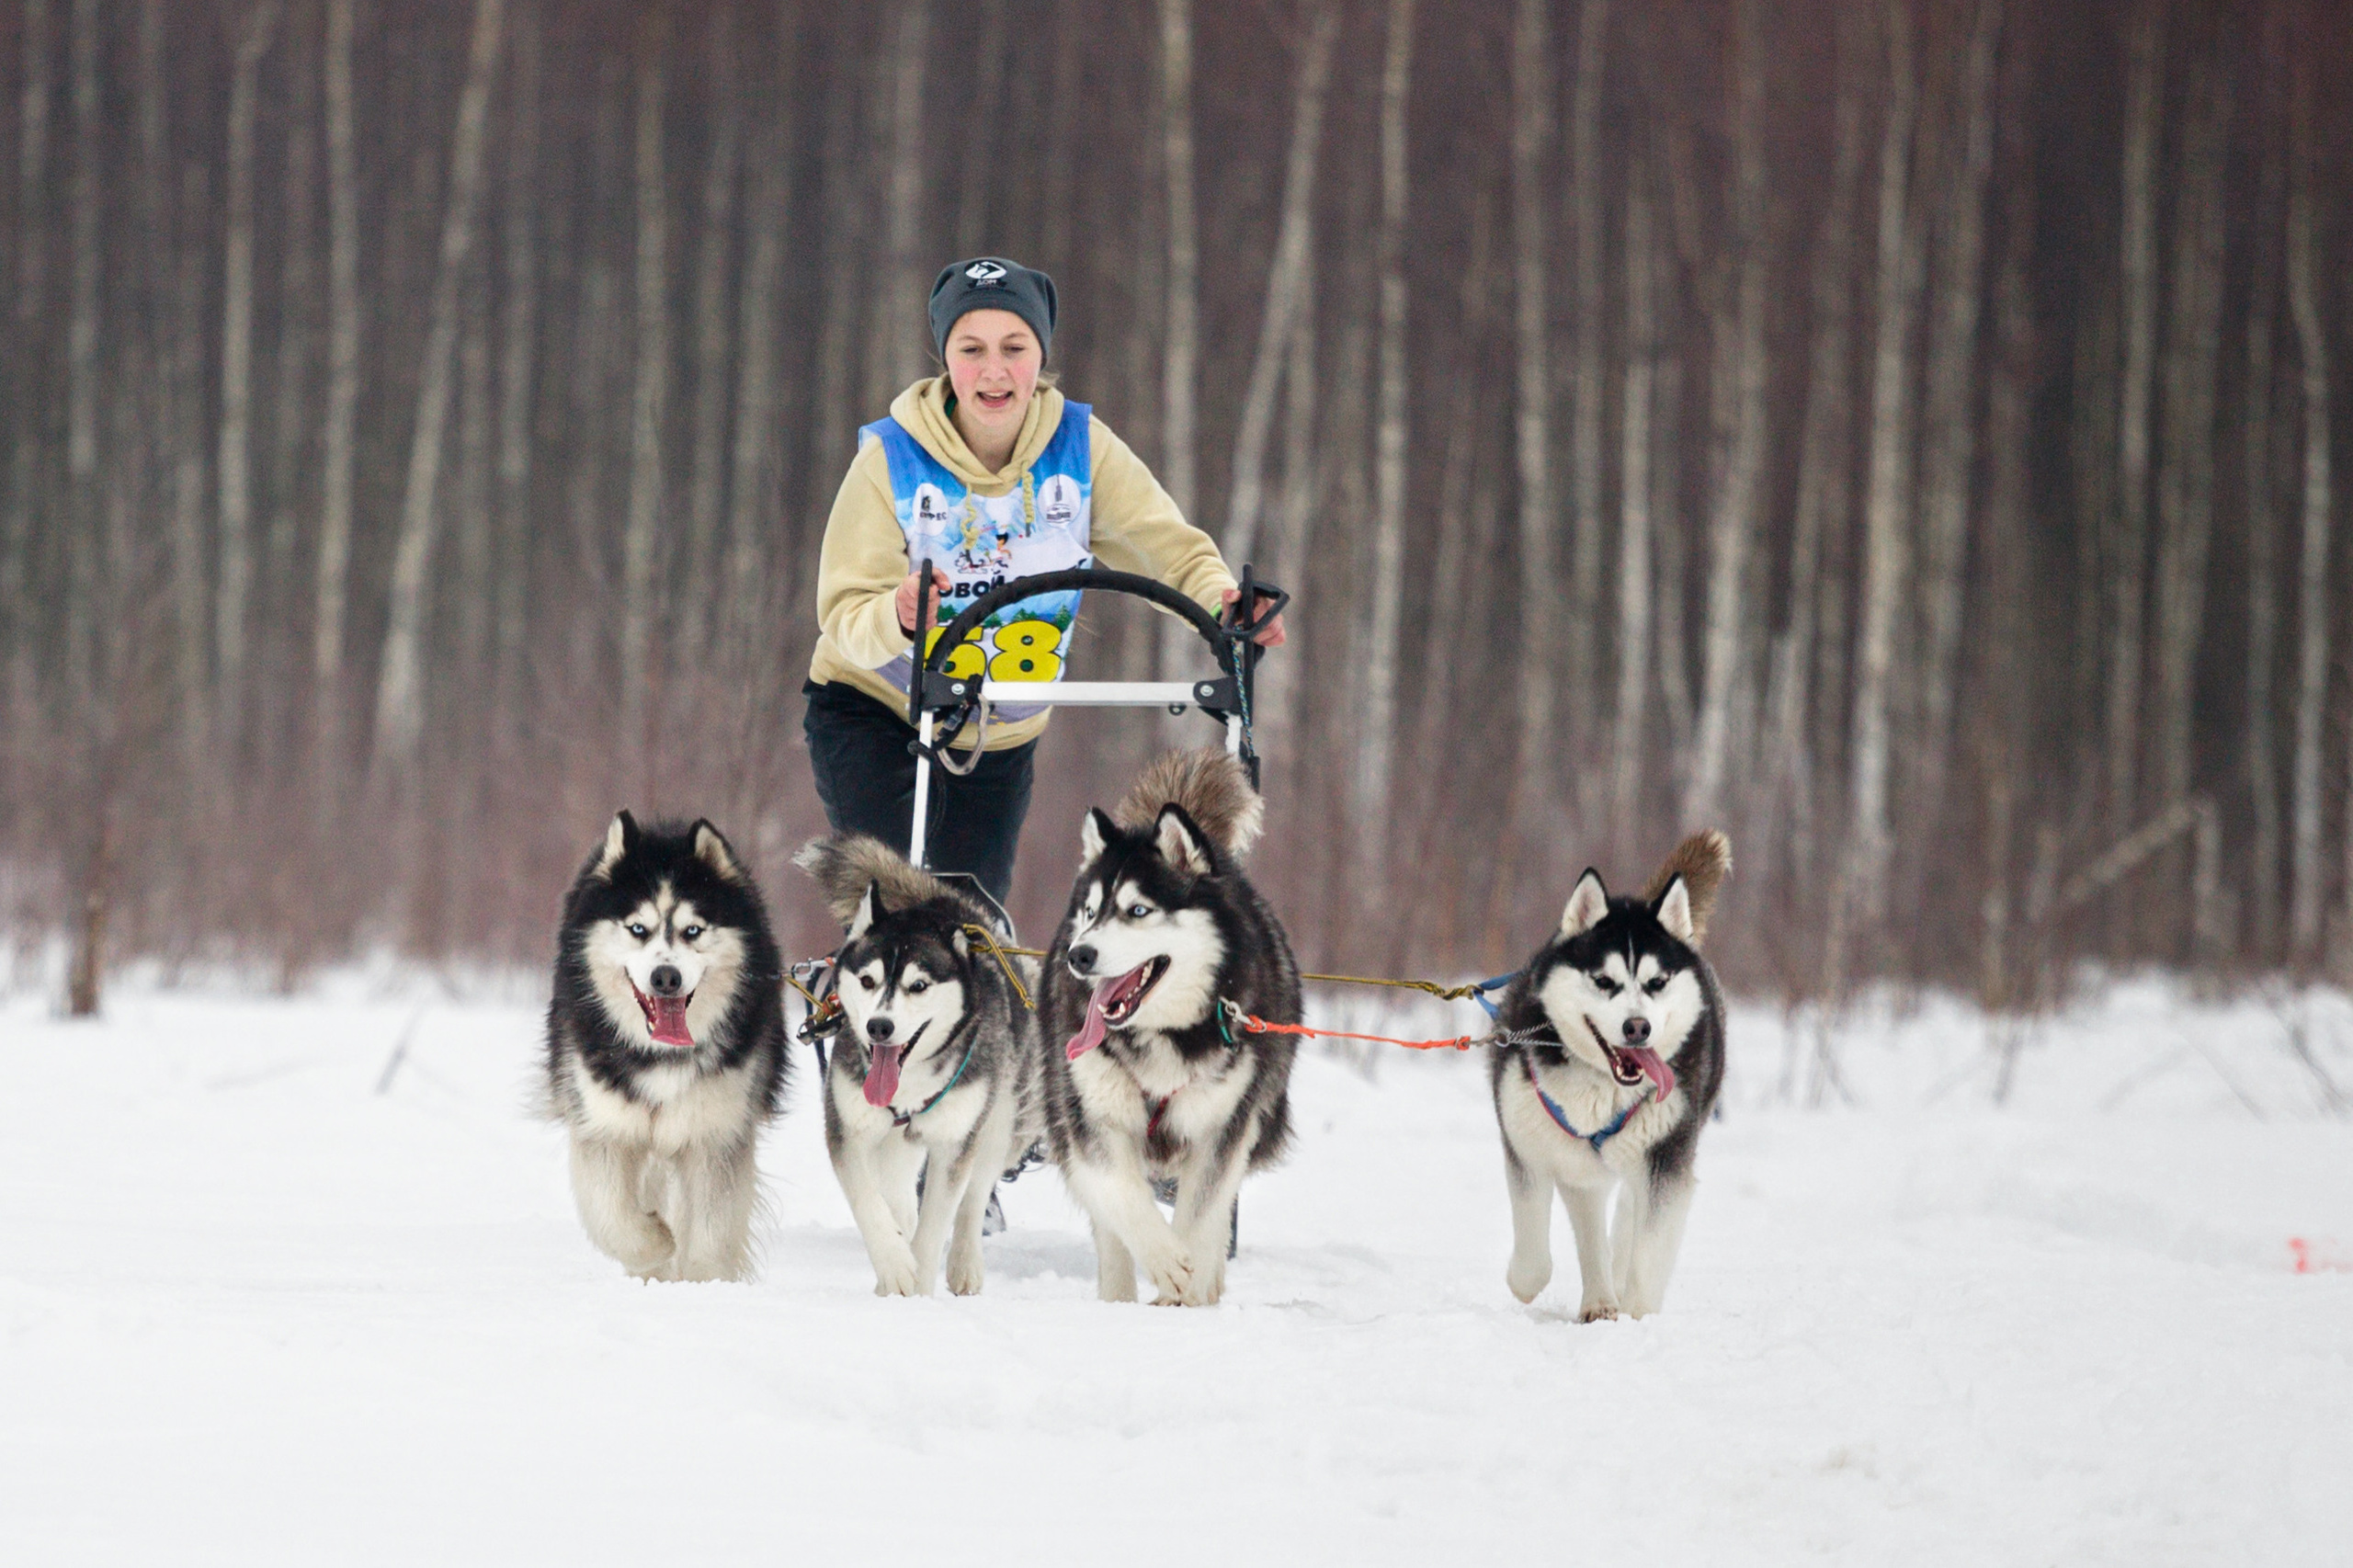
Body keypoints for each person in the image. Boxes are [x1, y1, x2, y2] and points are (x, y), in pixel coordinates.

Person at [802, 256, 1284, 912]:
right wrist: (899, 613)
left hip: (997, 732)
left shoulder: (1082, 452)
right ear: (945, 358)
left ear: (1041, 356)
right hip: (875, 708)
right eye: (972, 350)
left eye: (1014, 348)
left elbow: (1171, 550)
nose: (994, 371)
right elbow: (844, 614)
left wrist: (1226, 608)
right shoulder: (890, 459)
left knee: (971, 925)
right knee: (898, 913)